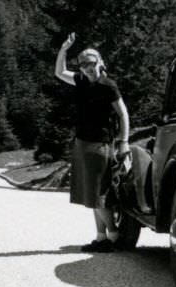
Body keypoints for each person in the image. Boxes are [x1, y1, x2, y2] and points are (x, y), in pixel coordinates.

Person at [54, 32, 130, 252]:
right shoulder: (79, 81)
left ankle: (115, 235)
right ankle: (100, 238)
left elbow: (123, 114)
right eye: (83, 63)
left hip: (100, 144)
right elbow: (59, 72)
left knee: (98, 194)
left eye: (91, 62)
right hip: (82, 143)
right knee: (90, 193)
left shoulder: (109, 86)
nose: (87, 67)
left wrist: (124, 141)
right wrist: (63, 49)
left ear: (100, 62)